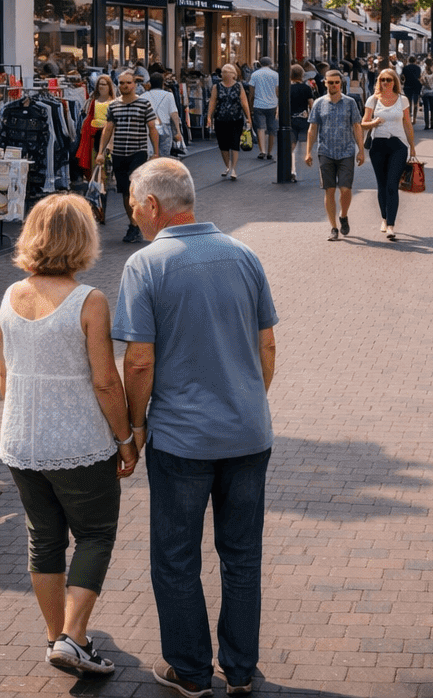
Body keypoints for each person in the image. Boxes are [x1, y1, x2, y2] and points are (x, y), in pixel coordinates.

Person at [116, 159, 278, 698]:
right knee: (242, 556)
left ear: (153, 205)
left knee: (176, 557)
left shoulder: (146, 264)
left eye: (134, 205)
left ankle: (189, 669)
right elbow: (267, 344)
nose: (132, 214)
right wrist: (247, 400)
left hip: (182, 439)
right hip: (247, 432)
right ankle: (240, 668)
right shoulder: (243, 254)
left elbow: (139, 360)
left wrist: (134, 427)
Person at [0, 194, 136, 676]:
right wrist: (126, 438)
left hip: (21, 441)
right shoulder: (88, 300)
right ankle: (74, 637)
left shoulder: (10, 295)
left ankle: (55, 636)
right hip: (78, 441)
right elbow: (106, 380)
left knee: (44, 539)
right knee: (95, 534)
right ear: (83, 239)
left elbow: (4, 376)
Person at [96, 71, 160, 244]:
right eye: (122, 83)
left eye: (128, 83)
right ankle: (134, 225)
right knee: (125, 192)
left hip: (138, 153)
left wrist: (156, 153)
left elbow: (152, 128)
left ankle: (138, 223)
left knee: (135, 190)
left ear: (134, 85)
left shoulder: (144, 104)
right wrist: (101, 152)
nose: (125, 86)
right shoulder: (113, 105)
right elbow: (108, 129)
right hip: (118, 153)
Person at [305, 69, 367, 241]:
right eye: (330, 82)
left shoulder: (350, 102)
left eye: (336, 82)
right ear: (325, 83)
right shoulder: (319, 103)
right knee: (329, 190)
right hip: (325, 151)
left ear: (341, 83)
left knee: (345, 189)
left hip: (346, 151)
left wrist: (361, 150)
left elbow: (357, 126)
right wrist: (308, 152)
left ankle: (343, 215)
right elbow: (312, 128)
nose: (333, 85)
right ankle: (333, 227)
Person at [360, 68, 417, 241]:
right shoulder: (373, 99)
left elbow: (407, 123)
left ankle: (391, 225)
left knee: (392, 184)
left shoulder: (402, 100)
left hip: (398, 146)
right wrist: (374, 122)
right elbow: (363, 123)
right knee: (382, 184)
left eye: (389, 80)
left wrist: (412, 146)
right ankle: (384, 219)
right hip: (378, 145)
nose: (385, 83)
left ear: (395, 82)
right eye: (382, 80)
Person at [211, 63, 252, 181]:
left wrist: (248, 117)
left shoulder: (239, 86)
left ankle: (233, 168)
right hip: (220, 119)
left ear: (233, 74)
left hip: (236, 119)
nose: (225, 74)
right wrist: (209, 116)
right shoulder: (216, 87)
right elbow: (213, 102)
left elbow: (244, 102)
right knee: (223, 145)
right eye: (224, 72)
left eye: (227, 72)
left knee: (235, 143)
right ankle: (227, 166)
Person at [75, 76, 117, 179]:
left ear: (109, 86)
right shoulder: (93, 101)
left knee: (107, 162)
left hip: (110, 135)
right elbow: (90, 116)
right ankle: (97, 183)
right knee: (94, 162)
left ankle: (104, 181)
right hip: (94, 134)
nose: (101, 86)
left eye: (104, 84)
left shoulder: (114, 102)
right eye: (100, 84)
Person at [144, 73, 185, 160]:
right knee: (164, 156)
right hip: (165, 127)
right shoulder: (168, 95)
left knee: (151, 156)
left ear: (150, 83)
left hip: (148, 127)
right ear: (163, 83)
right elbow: (174, 114)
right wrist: (178, 131)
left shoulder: (143, 96)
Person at [248, 57, 280, 161]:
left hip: (258, 104)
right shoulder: (275, 75)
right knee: (272, 129)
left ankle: (262, 151)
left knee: (260, 128)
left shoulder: (255, 74)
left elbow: (251, 93)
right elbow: (277, 91)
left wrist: (250, 106)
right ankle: (270, 152)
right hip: (272, 104)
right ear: (270, 64)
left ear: (260, 64)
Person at [285, 64, 312, 182]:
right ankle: (302, 168)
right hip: (303, 119)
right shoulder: (306, 88)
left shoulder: (287, 88)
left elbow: (283, 104)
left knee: (292, 146)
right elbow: (311, 104)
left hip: (290, 120)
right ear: (302, 75)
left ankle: (292, 170)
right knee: (305, 144)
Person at [400, 54, 423, 121]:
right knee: (415, 103)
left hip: (407, 85)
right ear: (415, 60)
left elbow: (402, 77)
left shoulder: (405, 68)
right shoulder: (418, 68)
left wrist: (402, 82)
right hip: (416, 86)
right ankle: (414, 118)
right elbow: (419, 77)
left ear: (408, 60)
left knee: (408, 102)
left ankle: (409, 117)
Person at [419, 61, 433, 130]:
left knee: (426, 109)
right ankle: (432, 122)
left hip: (425, 93)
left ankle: (426, 124)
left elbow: (422, 83)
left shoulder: (423, 74)